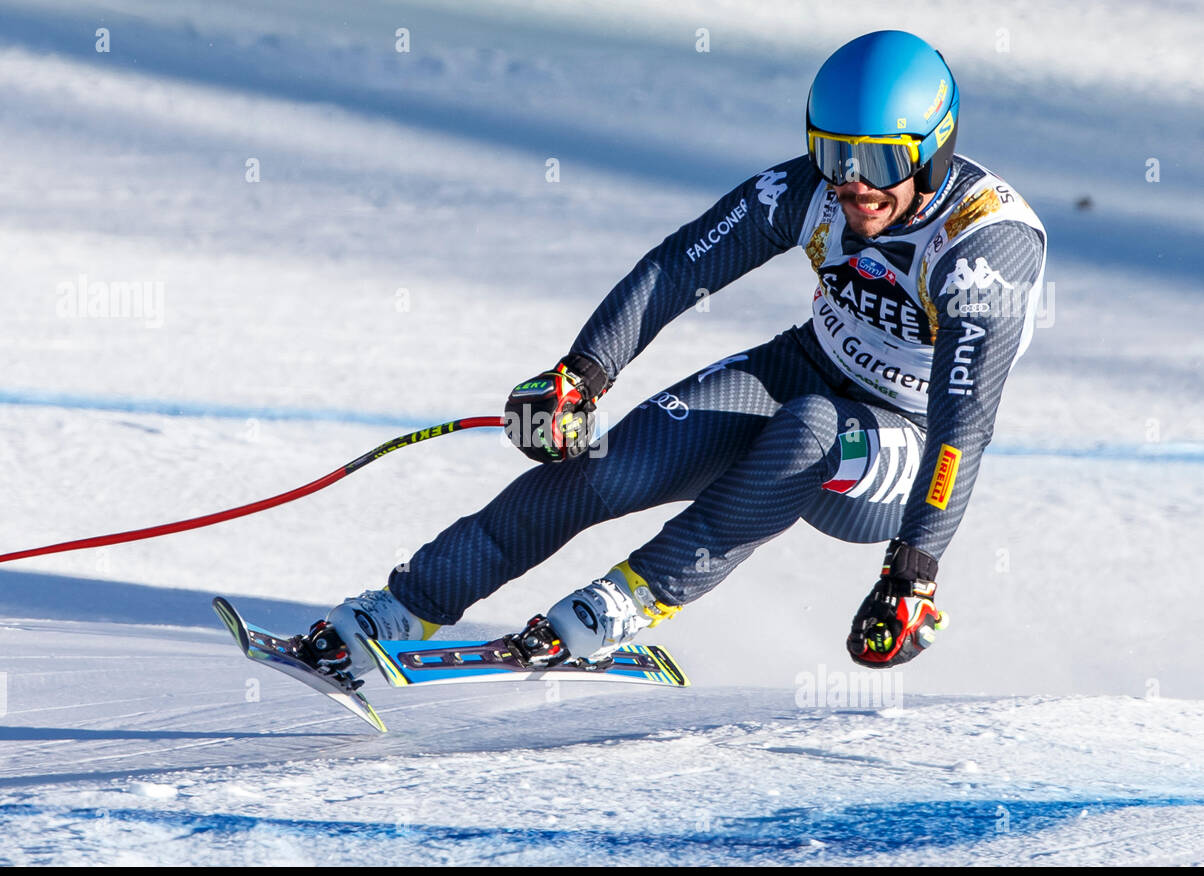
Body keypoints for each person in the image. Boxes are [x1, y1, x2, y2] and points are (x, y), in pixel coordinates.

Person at [298, 29, 1047, 680]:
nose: (852, 182)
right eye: (832, 152)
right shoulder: (813, 188)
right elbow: (683, 265)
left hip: (905, 447)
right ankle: (398, 612)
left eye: (879, 162)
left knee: (814, 425)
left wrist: (912, 571)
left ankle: (627, 599)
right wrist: (579, 376)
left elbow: (963, 421)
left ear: (934, 145)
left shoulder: (984, 248)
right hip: (804, 363)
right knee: (609, 466)